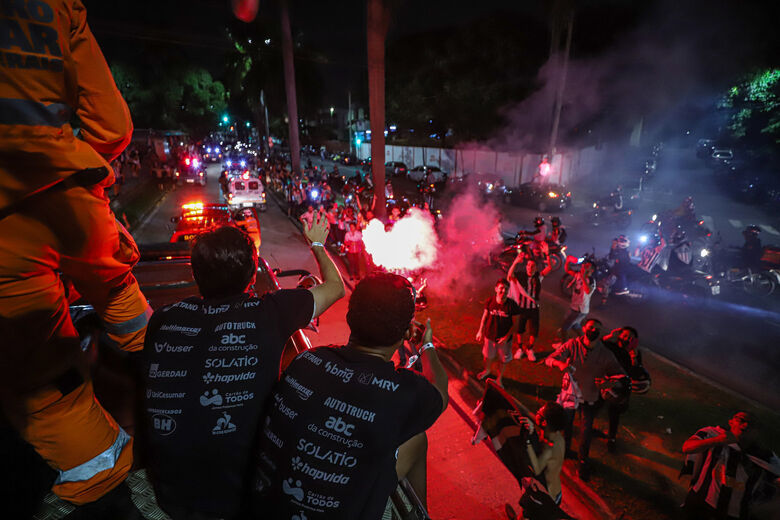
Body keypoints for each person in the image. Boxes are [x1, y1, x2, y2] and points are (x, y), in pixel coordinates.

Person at [0, 0, 153, 512]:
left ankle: (93, 476)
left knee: (42, 380)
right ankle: (170, 362)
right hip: (76, 205)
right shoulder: (59, 5)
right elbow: (111, 124)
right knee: (124, 304)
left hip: (7, 234)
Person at [141, 220, 345, 520]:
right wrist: (316, 243)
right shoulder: (271, 311)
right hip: (245, 497)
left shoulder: (164, 319)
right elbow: (336, 287)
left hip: (171, 495)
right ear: (251, 276)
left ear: (196, 274)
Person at [255, 274, 448, 519]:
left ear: (349, 318)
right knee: (417, 439)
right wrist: (427, 346)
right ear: (408, 331)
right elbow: (440, 390)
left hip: (265, 507)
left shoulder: (307, 360)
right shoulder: (403, 393)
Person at [545, 319, 626, 480]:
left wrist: (611, 382)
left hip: (590, 397)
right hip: (570, 395)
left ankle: (582, 461)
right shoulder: (572, 345)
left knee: (586, 431)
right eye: (590, 328)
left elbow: (621, 375)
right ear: (583, 328)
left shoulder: (605, 354)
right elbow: (550, 359)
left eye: (597, 329)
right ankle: (565, 451)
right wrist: (559, 364)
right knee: (566, 425)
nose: (593, 331)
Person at [681, 411, 780, 520]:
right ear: (731, 422)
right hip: (700, 502)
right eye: (741, 420)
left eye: (752, 424)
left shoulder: (766, 457)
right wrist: (717, 440)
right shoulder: (713, 434)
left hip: (734, 514)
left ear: (757, 432)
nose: (746, 425)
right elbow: (687, 447)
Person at [600, 326, 641, 452]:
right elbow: (596, 346)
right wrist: (608, 337)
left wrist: (634, 359)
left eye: (630, 338)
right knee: (593, 405)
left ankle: (611, 438)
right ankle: (589, 427)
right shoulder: (610, 346)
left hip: (618, 387)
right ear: (619, 335)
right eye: (625, 335)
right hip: (603, 382)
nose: (627, 339)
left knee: (615, 411)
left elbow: (635, 373)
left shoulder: (633, 353)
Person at [518, 402, 567, 505]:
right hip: (552, 491)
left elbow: (534, 466)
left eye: (539, 413)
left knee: (529, 508)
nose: (536, 414)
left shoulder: (550, 446)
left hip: (546, 495)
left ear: (544, 423)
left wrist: (529, 439)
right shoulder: (554, 436)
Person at [476, 279, 521, 387]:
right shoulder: (490, 301)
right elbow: (485, 317)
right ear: (496, 289)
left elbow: (515, 324)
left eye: (506, 289)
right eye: (501, 288)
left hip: (504, 340)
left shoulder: (513, 306)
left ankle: (499, 379)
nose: (504, 291)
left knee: (503, 360)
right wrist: (480, 331)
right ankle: (486, 371)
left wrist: (506, 337)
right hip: (489, 336)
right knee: (487, 356)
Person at [507, 257, 552, 362]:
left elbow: (550, 267)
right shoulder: (521, 276)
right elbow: (509, 275)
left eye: (532, 266)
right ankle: (520, 348)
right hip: (522, 308)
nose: (530, 268)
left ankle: (529, 349)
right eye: (528, 265)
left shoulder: (538, 277)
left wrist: (547, 254)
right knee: (520, 329)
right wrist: (515, 261)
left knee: (534, 330)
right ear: (526, 266)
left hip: (533, 309)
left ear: (536, 268)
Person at [558, 259, 596, 339]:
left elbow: (588, 291)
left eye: (587, 266)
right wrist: (568, 260)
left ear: (592, 270)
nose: (584, 266)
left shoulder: (591, 280)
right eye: (584, 264)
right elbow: (568, 270)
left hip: (580, 310)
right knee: (575, 325)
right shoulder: (578, 274)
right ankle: (585, 340)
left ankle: (564, 346)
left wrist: (583, 276)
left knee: (565, 328)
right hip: (574, 306)